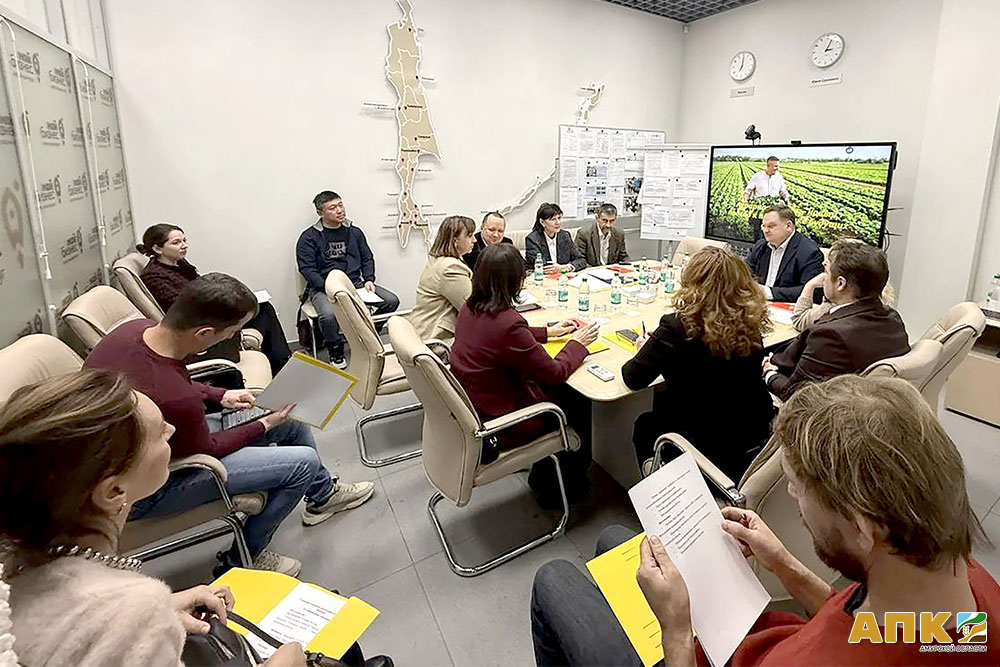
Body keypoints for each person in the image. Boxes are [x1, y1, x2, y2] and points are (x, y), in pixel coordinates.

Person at [530, 375, 1000, 666]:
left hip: (701, 652)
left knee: (554, 579)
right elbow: (879, 629)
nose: (791, 496)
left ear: (861, 528)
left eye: (797, 487)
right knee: (618, 540)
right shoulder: (968, 594)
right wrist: (785, 564)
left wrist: (677, 631)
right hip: (765, 636)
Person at [1, 369, 307, 666]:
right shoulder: (134, 608)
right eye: (160, 432)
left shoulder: (17, 567)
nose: (171, 430)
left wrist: (162, 611)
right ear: (114, 491)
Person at [85, 273, 375, 576]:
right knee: (303, 462)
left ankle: (323, 496)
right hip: (149, 488)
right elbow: (207, 448)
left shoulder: (135, 331)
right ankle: (245, 558)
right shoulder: (175, 397)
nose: (231, 338)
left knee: (292, 424)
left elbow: (170, 383)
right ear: (204, 333)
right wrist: (265, 424)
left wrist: (220, 394)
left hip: (148, 450)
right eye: (232, 331)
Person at [450, 243, 599, 505]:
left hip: (479, 402)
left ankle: (546, 475)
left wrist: (548, 332)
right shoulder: (508, 323)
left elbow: (504, 337)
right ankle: (562, 484)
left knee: (560, 387)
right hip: (505, 420)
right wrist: (578, 344)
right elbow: (555, 372)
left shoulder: (470, 308)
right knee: (577, 396)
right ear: (515, 281)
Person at [622, 247, 774, 482]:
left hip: (701, 443)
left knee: (645, 424)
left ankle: (665, 490)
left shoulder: (676, 326)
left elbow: (633, 378)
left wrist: (648, 347)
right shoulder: (749, 323)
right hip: (750, 437)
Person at [136, 223, 292, 374]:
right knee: (263, 313)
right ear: (158, 248)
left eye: (184, 240)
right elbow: (186, 306)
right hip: (201, 319)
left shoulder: (181, 264)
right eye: (176, 243)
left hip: (208, 310)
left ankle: (281, 362)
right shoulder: (154, 276)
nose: (184, 246)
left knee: (263, 308)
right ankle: (282, 363)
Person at [764, 240, 909, 401]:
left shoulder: (830, 336)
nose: (822, 278)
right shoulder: (893, 319)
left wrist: (768, 373)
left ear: (841, 283)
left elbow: (796, 395)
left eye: (825, 271)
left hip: (818, 410)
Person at [296, 191, 400, 367]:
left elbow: (367, 258)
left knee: (391, 301)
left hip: (355, 284)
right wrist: (328, 287)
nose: (339, 210)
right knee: (328, 316)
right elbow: (307, 269)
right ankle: (336, 351)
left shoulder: (354, 232)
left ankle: (367, 335)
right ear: (320, 213)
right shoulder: (309, 238)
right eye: (332, 208)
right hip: (323, 288)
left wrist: (369, 279)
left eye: (340, 205)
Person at [409, 215, 475, 346]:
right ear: (455, 239)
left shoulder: (438, 260)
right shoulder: (451, 268)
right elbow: (472, 309)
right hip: (437, 340)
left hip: (421, 331)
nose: (474, 240)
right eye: (469, 236)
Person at [745, 206, 824, 302]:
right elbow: (743, 274)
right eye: (764, 226)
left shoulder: (809, 252)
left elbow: (813, 291)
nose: (765, 230)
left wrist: (768, 292)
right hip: (756, 304)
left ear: (788, 226)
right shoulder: (761, 246)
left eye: (771, 226)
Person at [524, 203, 586, 272]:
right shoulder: (533, 239)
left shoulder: (565, 236)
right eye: (553, 219)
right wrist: (558, 269)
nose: (558, 222)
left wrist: (568, 267)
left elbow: (581, 260)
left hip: (564, 275)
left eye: (559, 218)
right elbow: (543, 266)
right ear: (542, 222)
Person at [574, 203, 630, 267]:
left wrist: (630, 267)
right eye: (604, 220)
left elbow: (623, 257)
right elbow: (579, 260)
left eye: (611, 221)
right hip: (592, 270)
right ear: (597, 218)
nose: (608, 225)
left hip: (612, 270)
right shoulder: (584, 234)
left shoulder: (619, 234)